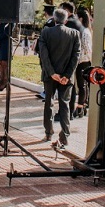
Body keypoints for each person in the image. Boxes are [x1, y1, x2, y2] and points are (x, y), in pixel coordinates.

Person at [37, 8, 80, 148]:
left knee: (48, 103)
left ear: (54, 19)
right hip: (66, 77)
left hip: (50, 76)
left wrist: (51, 73)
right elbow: (76, 57)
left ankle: (48, 132)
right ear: (66, 20)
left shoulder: (46, 32)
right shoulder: (74, 34)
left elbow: (43, 55)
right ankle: (65, 135)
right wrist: (67, 75)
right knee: (65, 105)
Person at [73, 8, 93, 118]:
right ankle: (83, 105)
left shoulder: (84, 32)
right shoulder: (85, 31)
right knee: (82, 85)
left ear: (81, 18)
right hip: (83, 61)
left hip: (83, 61)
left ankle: (80, 107)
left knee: (82, 85)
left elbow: (87, 48)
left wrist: (90, 59)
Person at [0, 22, 12, 92]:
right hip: (0, 45)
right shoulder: (2, 23)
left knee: (5, 64)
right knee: (0, 63)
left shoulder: (10, 23)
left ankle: (5, 82)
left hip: (6, 46)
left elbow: (5, 34)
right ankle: (1, 81)